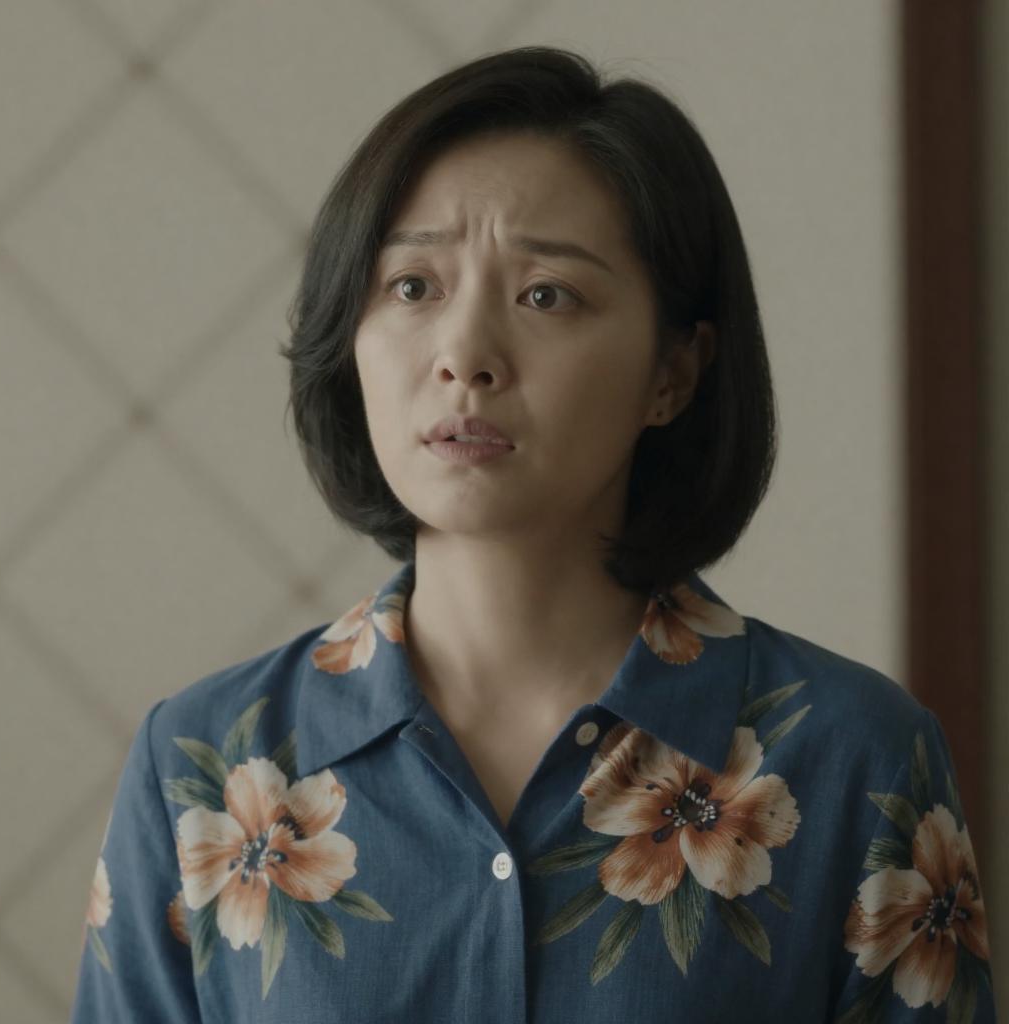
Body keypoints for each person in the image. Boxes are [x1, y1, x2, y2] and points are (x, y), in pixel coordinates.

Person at [70, 45, 995, 1022]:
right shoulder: (204, 770)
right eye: (412, 286)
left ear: (673, 372)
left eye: (546, 293)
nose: (465, 355)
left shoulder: (855, 760)